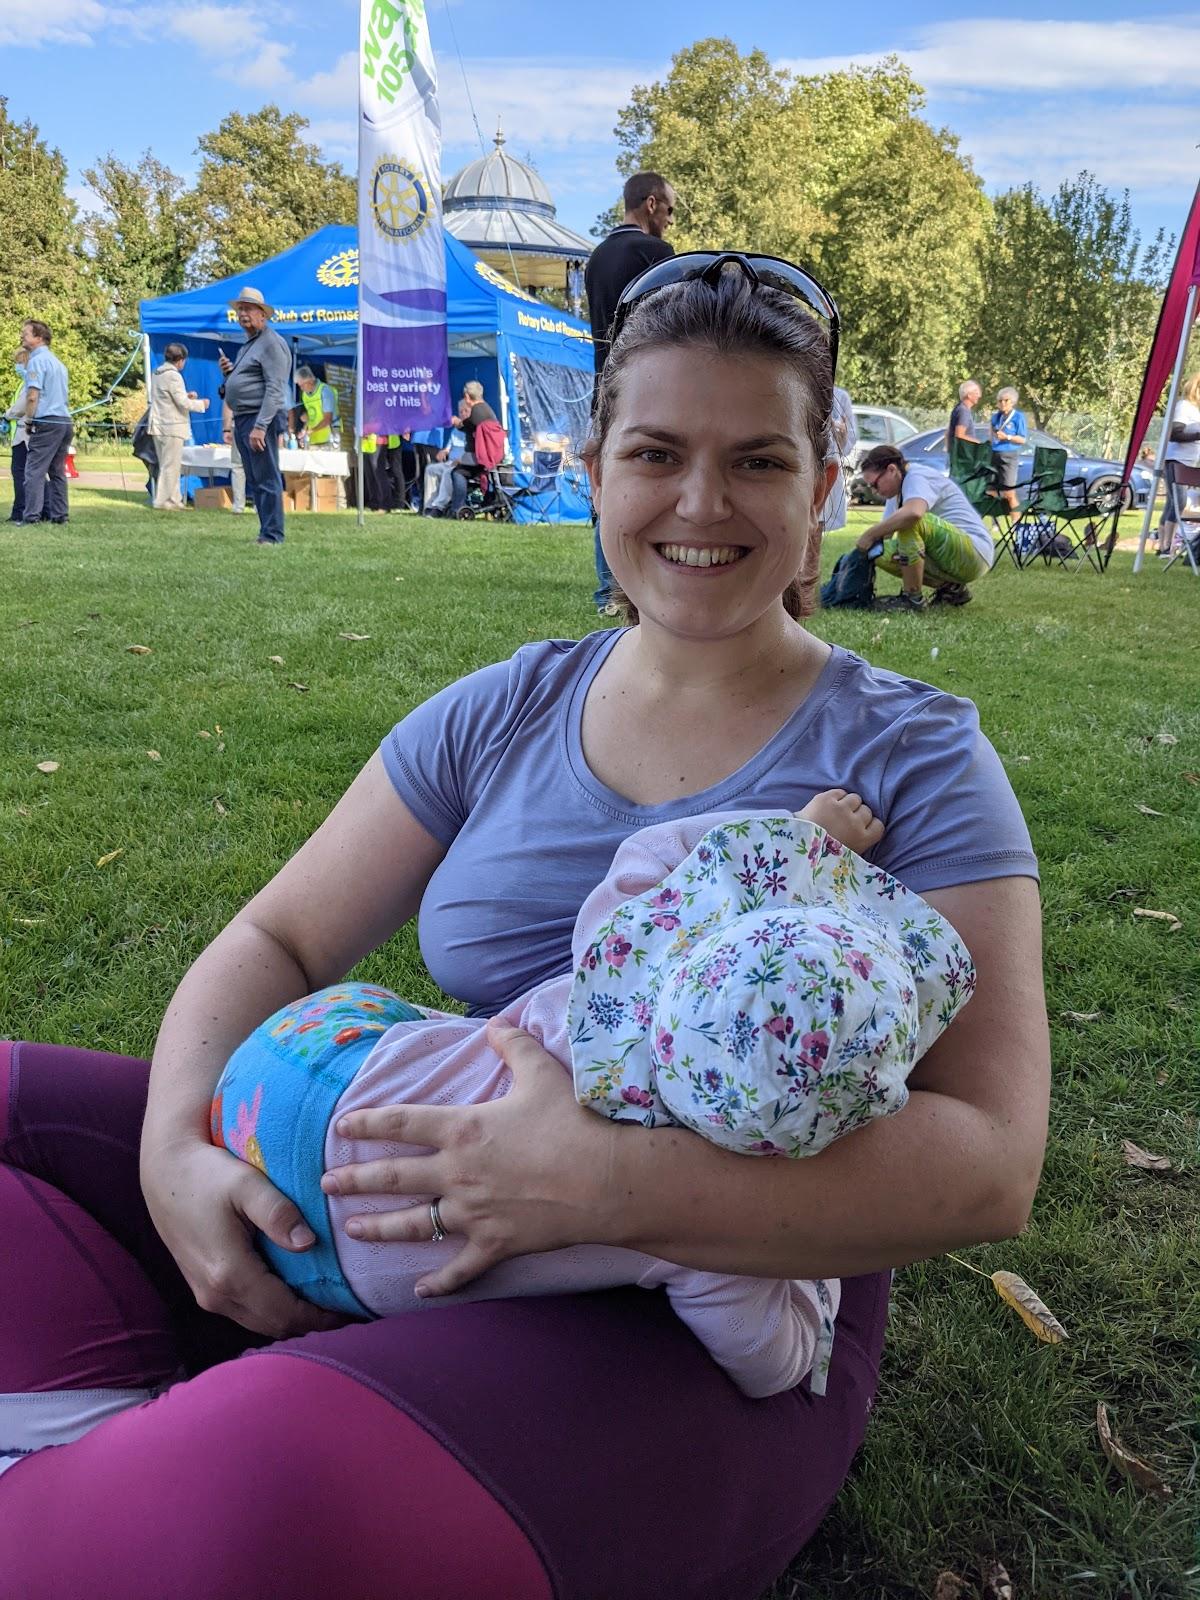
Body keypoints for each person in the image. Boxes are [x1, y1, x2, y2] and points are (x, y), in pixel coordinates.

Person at [0, 252, 1049, 1600]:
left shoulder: (912, 757)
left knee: (258, 1483)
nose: (701, 503)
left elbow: (988, 1164)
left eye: (759, 462)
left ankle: (155, 1451)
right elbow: (280, 944)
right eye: (658, 451)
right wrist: (172, 1153)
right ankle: (130, 1438)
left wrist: (605, 1185)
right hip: (415, 1204)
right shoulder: (508, 707)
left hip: (716, 1308)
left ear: (825, 486)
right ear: (599, 465)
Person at [207, 790, 971, 1403]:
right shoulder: (712, 1230)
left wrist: (799, 839)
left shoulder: (624, 948)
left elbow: (660, 853)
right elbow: (769, 1363)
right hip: (338, 1274)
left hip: (283, 1073)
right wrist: (812, 1284)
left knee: (483, 1042)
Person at [585, 172, 677, 612]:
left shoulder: (598, 256)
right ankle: (647, 583)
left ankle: (608, 590)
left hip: (604, 385)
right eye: (671, 209)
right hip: (652, 387)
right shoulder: (655, 253)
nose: (671, 221)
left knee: (611, 485)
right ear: (652, 204)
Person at [855, 442, 996, 612]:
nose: (874, 491)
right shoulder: (896, 492)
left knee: (911, 522)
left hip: (975, 553)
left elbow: (914, 513)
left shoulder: (916, 476)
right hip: (953, 557)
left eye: (875, 484)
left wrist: (869, 534)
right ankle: (952, 589)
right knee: (880, 552)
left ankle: (912, 600)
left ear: (892, 470)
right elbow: (883, 538)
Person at [218, 287, 290, 544]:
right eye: (240, 309)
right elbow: (246, 383)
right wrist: (230, 374)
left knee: (267, 478)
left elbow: (274, 389)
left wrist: (260, 426)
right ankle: (265, 532)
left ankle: (272, 535)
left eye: (248, 309)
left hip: (261, 419)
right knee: (256, 478)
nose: (242, 314)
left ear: (263, 314)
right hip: (245, 417)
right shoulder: (249, 345)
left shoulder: (271, 343)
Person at [18, 318, 72, 526]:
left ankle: (31, 517)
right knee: (57, 472)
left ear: (39, 338)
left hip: (46, 421)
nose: (22, 336)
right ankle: (60, 516)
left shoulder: (36, 361)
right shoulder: (58, 363)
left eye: (26, 333)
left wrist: (30, 420)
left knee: (34, 471)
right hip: (64, 421)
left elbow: (33, 395)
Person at [149, 343, 210, 511]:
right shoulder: (173, 376)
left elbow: (168, 397)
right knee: (171, 466)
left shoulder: (157, 372)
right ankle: (163, 501)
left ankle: (174, 500)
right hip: (172, 426)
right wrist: (202, 404)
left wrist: (187, 395)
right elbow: (182, 403)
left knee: (168, 464)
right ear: (181, 360)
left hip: (158, 425)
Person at [1157, 372, 1200, 555]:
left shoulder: (1196, 410)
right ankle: (1167, 546)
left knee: (1172, 503)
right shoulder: (1184, 407)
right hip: (1176, 459)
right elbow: (1174, 434)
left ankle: (1163, 546)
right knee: (1179, 503)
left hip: (1187, 460)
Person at [448, 380, 498, 517]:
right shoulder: (487, 409)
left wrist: (457, 422)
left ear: (467, 397)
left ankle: (457, 509)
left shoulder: (476, 411)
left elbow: (465, 426)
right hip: (491, 456)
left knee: (457, 473)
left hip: (480, 459)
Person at [820, 385, 857, 533]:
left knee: (816, 530)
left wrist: (841, 435)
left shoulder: (840, 397)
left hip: (826, 470)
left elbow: (846, 445)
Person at [5, 347, 34, 524]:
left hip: (25, 435)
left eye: (18, 362)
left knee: (21, 473)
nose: (17, 366)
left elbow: (21, 406)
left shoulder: (30, 382)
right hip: (21, 433)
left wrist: (6, 415)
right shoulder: (26, 382)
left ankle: (21, 511)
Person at [989, 386, 1027, 516]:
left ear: (1012, 402)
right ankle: (995, 521)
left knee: (1010, 493)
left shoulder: (1018, 417)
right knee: (990, 491)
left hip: (1009, 457)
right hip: (994, 455)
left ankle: (1017, 524)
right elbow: (992, 433)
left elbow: (1022, 439)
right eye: (1000, 401)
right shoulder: (995, 417)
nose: (1002, 403)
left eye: (1006, 400)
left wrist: (1007, 437)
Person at [423, 408, 468, 516]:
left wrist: (461, 460)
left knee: (449, 472)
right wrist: (443, 452)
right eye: (461, 411)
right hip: (450, 461)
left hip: (463, 464)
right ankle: (429, 506)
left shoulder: (472, 430)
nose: (462, 414)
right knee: (431, 469)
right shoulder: (456, 430)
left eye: (465, 411)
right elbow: (448, 448)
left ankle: (439, 507)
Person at [292, 367, 338, 448]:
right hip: (313, 440)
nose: (301, 388)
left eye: (302, 385)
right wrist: (304, 430)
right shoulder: (305, 394)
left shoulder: (325, 391)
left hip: (329, 440)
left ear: (310, 380)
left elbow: (328, 419)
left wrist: (310, 431)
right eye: (299, 386)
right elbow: (311, 415)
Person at [222, 401, 246, 513]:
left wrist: (226, 429)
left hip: (239, 424)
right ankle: (260, 504)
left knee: (238, 466)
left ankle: (238, 506)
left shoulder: (232, 383)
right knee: (258, 466)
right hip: (259, 424)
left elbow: (228, 403)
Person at [946, 380, 982, 450]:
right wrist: (978, 443)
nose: (979, 396)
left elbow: (947, 433)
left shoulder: (959, 408)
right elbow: (959, 435)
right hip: (962, 455)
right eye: (976, 393)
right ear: (969, 395)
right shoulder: (963, 411)